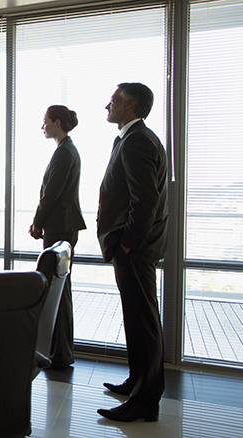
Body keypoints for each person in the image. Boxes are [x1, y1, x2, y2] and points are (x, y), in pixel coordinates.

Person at [96, 83, 168, 422]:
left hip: (134, 248)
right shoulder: (130, 137)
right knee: (137, 320)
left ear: (132, 105)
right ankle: (137, 383)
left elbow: (146, 200)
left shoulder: (138, 139)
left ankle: (145, 401)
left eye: (114, 100)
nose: (107, 105)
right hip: (133, 247)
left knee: (143, 322)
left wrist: (128, 242)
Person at [28, 105, 87, 370]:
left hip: (59, 226)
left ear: (57, 122)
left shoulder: (64, 152)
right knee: (61, 290)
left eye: (46, 122)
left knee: (57, 290)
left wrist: (37, 222)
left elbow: (51, 193)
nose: (43, 127)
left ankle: (59, 353)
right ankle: (61, 351)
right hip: (62, 224)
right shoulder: (65, 150)